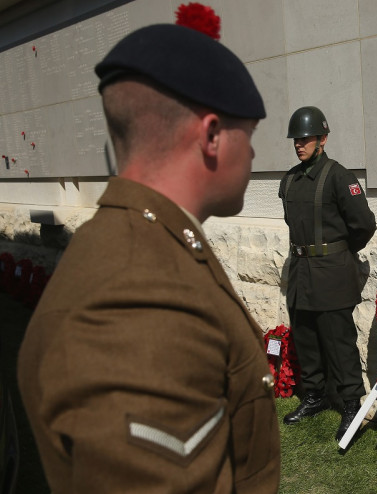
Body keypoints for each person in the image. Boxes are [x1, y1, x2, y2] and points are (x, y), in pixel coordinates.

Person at [17, 23, 280, 493]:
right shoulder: (134, 292)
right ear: (213, 135)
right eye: (250, 132)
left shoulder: (154, 240)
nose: (256, 151)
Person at [278, 106, 376, 440]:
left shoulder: (339, 176)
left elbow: (363, 225)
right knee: (306, 339)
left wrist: (338, 254)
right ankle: (315, 395)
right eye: (296, 140)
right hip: (302, 274)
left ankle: (351, 404)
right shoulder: (290, 178)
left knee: (338, 342)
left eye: (305, 139)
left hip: (332, 274)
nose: (299, 145)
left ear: (323, 138)